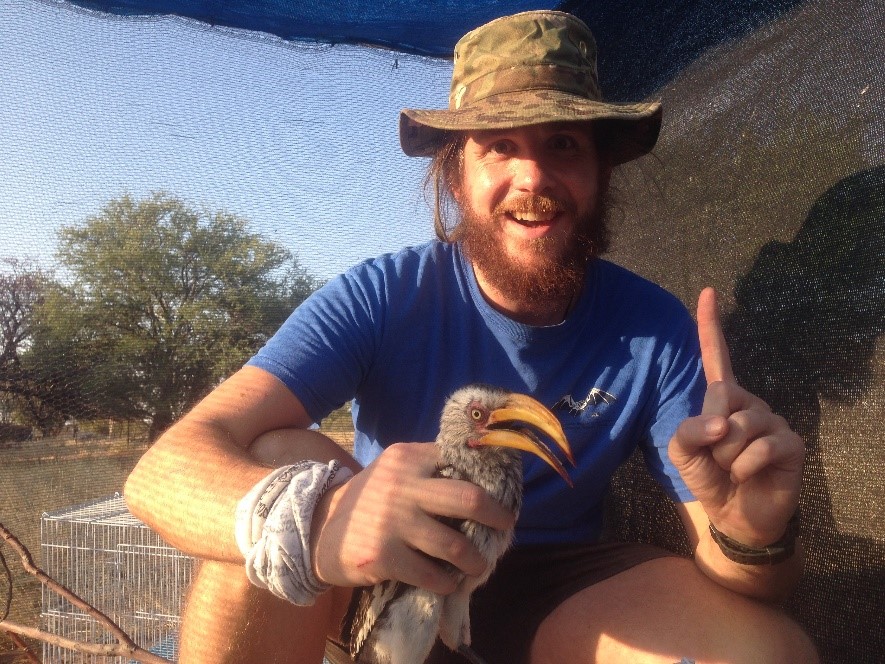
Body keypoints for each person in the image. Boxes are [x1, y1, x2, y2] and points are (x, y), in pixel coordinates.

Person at [124, 10, 819, 664]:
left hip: (559, 584)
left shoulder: (655, 329)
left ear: (600, 172)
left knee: (768, 650)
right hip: (387, 572)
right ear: (455, 174)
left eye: (563, 144)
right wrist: (326, 515)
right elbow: (161, 474)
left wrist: (750, 536)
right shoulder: (380, 295)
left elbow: (753, 580)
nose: (534, 177)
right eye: (498, 146)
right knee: (276, 464)